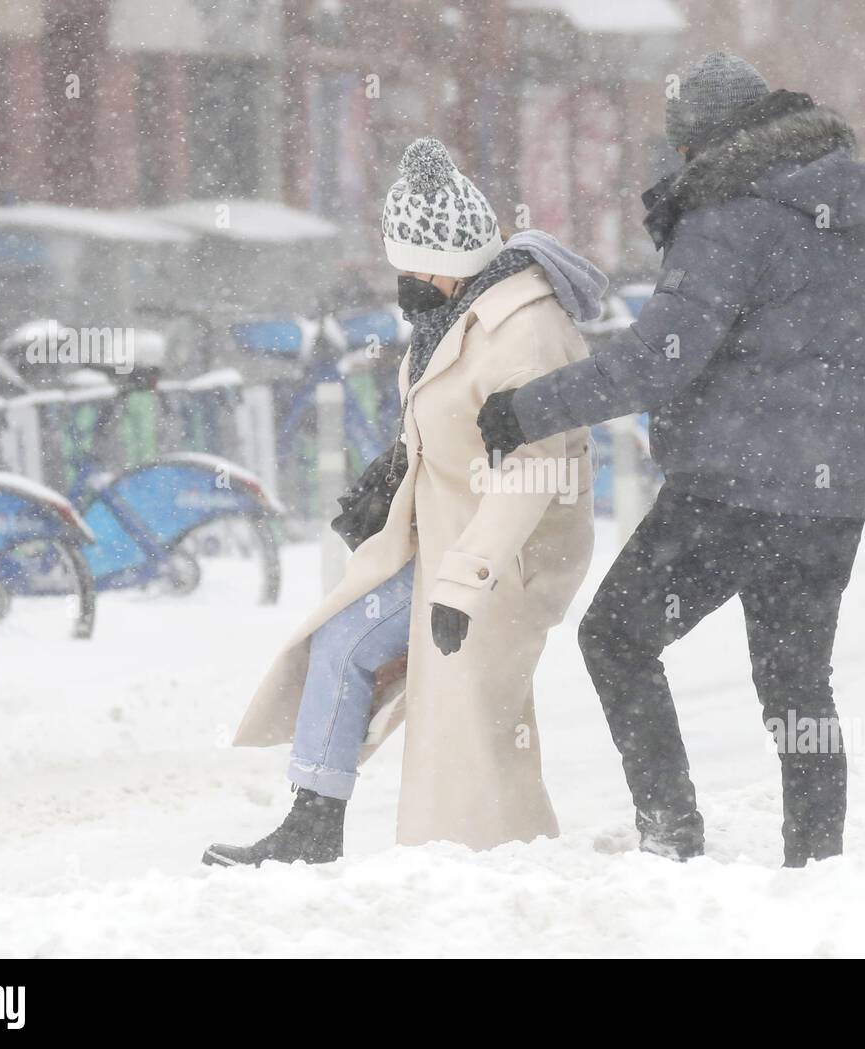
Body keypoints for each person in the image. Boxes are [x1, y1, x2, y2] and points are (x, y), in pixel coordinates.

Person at [478, 54, 865, 867]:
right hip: (830, 499)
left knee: (617, 638)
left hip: (731, 493)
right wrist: (854, 459)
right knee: (798, 685)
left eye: (681, 149)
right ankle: (818, 864)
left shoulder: (729, 220)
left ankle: (670, 831)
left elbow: (654, 360)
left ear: (704, 144)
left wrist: (525, 410)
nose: (678, 164)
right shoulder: (859, 229)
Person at [205, 138, 604, 866]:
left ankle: (487, 861)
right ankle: (320, 825)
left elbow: (531, 469)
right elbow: (449, 417)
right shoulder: (453, 314)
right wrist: (394, 472)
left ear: (444, 258)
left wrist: (465, 582)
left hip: (507, 554)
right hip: (449, 534)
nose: (405, 278)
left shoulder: (524, 327)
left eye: (411, 262)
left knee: (472, 714)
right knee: (355, 650)